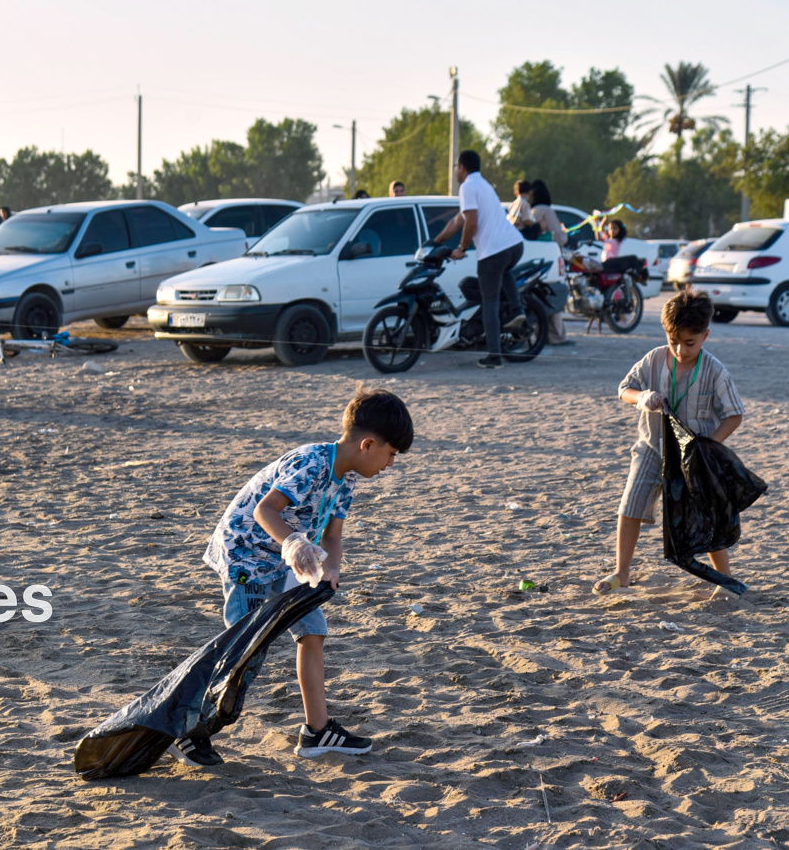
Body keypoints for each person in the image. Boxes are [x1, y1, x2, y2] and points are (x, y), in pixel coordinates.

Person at [169, 387, 415, 768]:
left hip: (291, 560)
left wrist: (330, 568)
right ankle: (189, 729)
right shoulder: (312, 463)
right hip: (247, 555)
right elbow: (266, 511)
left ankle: (317, 732)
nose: (391, 464)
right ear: (368, 444)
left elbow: (333, 536)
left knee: (312, 633)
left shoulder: (347, 478)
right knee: (243, 650)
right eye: (391, 454)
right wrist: (294, 544)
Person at [596, 290, 745, 599]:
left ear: (705, 335)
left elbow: (734, 415)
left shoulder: (715, 371)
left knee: (706, 516)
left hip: (694, 458)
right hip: (652, 448)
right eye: (673, 340)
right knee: (630, 506)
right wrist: (642, 398)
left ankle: (724, 578)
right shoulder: (653, 359)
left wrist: (708, 446)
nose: (680, 350)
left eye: (689, 343)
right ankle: (622, 572)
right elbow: (624, 389)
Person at [432, 150, 525, 369]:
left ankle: (495, 356)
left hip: (492, 253)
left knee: (489, 303)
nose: (455, 171)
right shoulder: (484, 185)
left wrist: (461, 248)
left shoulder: (467, 187)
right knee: (505, 272)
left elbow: (470, 223)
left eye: (456, 167)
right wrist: (435, 242)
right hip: (514, 245)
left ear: (461, 167)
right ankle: (517, 310)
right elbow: (458, 220)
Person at [526, 180, 573, 345]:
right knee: (553, 296)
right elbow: (559, 237)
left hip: (533, 259)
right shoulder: (546, 210)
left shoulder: (531, 210)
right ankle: (557, 335)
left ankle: (542, 333)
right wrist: (565, 235)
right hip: (550, 259)